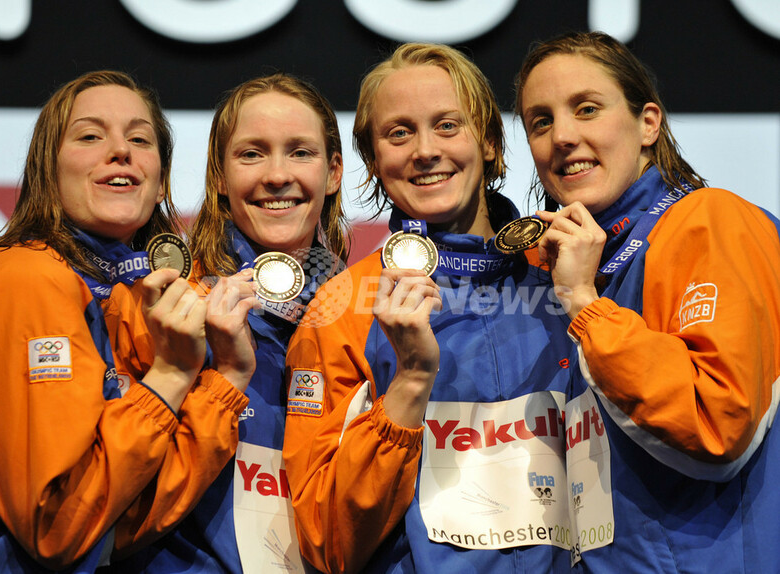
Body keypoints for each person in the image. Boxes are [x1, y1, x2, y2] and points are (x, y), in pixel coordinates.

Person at [283, 43, 578, 573]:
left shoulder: (566, 271)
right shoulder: (342, 309)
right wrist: (410, 385)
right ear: (373, 161)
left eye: (447, 125)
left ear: (490, 141)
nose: (424, 150)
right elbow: (327, 540)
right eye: (399, 133)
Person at [514, 31, 780, 572]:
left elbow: (715, 420)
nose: (562, 136)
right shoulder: (572, 264)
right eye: (541, 122)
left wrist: (586, 305)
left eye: (587, 109)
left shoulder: (710, 221)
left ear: (648, 124)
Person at [0, 70, 253, 572]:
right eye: (89, 136)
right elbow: (61, 525)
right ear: (47, 169)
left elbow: (125, 516)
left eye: (140, 140)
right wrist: (172, 374)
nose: (121, 151)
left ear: (160, 180)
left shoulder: (130, 294)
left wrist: (226, 378)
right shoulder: (27, 278)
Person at [110, 73, 348, 573]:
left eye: (300, 152)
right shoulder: (164, 311)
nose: (277, 175)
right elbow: (116, 513)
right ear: (219, 176)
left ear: (333, 173)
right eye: (252, 154)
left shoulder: (364, 317)